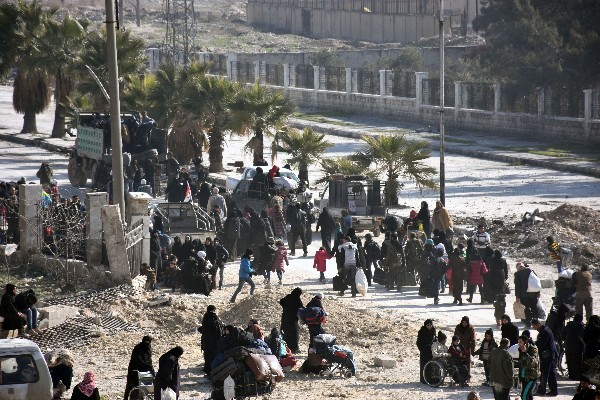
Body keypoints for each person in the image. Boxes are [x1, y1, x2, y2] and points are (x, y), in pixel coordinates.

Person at [532, 318, 559, 396]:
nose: (534, 328)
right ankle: (553, 391)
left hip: (548, 355)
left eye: (534, 326)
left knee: (545, 374)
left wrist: (534, 345)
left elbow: (542, 344)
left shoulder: (544, 332)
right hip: (549, 355)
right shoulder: (545, 329)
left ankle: (542, 390)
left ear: (538, 324)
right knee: (550, 373)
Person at [124, 336, 154, 400]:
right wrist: (147, 366)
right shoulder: (138, 348)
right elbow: (138, 360)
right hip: (134, 371)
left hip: (144, 372)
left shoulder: (148, 348)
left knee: (143, 389)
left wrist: (151, 368)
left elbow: (149, 359)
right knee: (133, 388)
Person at [279, 287, 304, 353]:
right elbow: (301, 307)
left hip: (285, 318)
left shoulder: (288, 297)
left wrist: (285, 307)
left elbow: (281, 301)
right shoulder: (297, 299)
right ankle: (294, 349)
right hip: (293, 320)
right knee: (295, 334)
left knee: (286, 333)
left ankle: (286, 348)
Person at [200, 305, 223, 374]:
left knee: (207, 355)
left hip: (206, 340)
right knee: (213, 354)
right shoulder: (214, 318)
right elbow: (217, 330)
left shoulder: (206, 317)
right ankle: (211, 369)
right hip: (213, 341)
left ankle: (208, 368)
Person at [562, 313, 585, 380]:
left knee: (569, 362)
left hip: (568, 347)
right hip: (578, 348)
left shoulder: (568, 325)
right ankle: (577, 376)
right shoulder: (581, 326)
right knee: (577, 363)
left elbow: (562, 335)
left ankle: (571, 376)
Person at [518, 335, 541, 400]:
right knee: (529, 394)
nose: (519, 344)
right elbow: (521, 362)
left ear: (525, 342)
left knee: (524, 396)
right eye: (518, 342)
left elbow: (532, 362)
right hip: (524, 376)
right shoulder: (520, 349)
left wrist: (525, 352)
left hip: (531, 376)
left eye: (520, 342)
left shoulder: (533, 349)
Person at [417, 319, 436, 384]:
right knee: (424, 365)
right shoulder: (422, 331)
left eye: (430, 325)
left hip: (431, 350)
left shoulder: (433, 330)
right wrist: (422, 349)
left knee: (430, 365)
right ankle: (423, 379)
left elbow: (434, 339)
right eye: (428, 325)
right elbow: (419, 342)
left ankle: (430, 378)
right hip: (424, 351)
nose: (429, 327)